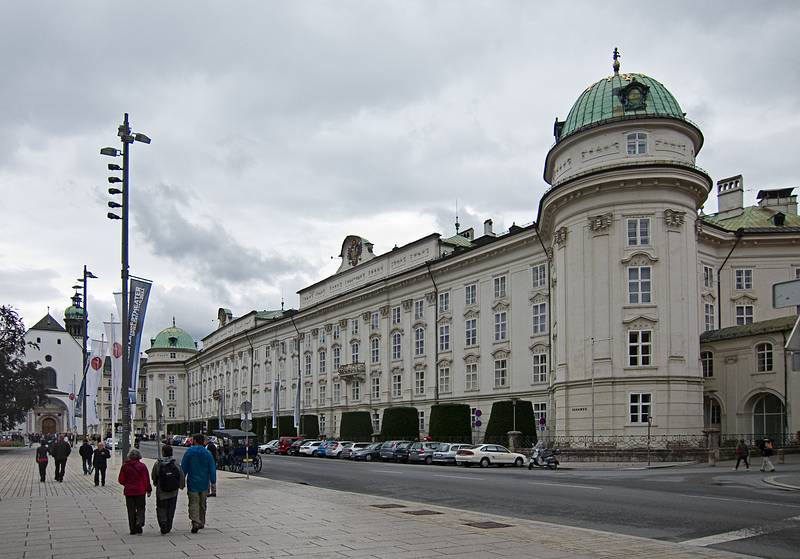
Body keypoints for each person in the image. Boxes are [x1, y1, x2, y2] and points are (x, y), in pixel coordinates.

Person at [181, 433, 216, 533]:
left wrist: (181, 481)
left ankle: (195, 521)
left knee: (193, 503)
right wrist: (213, 482)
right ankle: (201, 521)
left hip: (193, 482)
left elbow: (184, 468)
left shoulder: (189, 452)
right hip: (204, 483)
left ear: (195, 441)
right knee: (202, 503)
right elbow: (212, 468)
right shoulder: (207, 453)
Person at [151, 445, 185, 534]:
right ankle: (168, 526)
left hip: (161, 491)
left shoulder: (158, 463)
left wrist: (155, 483)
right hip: (173, 491)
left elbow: (154, 475)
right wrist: (181, 485)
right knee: (171, 509)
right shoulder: (175, 463)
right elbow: (181, 475)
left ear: (163, 453)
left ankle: (163, 522)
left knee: (161, 508)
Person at [118, 448, 152, 535]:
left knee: (131, 510)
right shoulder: (142, 466)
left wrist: (127, 484)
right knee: (141, 508)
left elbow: (121, 480)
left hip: (129, 491)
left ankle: (132, 529)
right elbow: (146, 479)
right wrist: (148, 489)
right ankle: (139, 522)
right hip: (140, 491)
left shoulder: (125, 466)